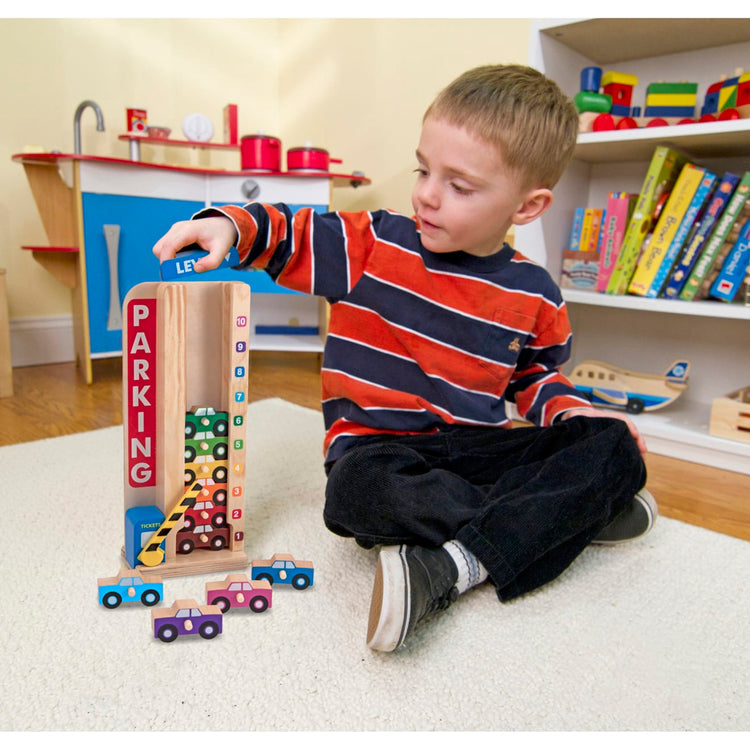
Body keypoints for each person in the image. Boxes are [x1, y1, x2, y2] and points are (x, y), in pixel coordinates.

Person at [153, 64, 655, 653]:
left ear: (527, 206)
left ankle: (454, 563)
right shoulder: (374, 244)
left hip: (474, 450)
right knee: (356, 494)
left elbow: (538, 378)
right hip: (379, 448)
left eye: (459, 186)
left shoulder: (535, 292)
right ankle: (551, 519)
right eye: (424, 169)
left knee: (615, 444)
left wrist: (574, 416)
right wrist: (226, 226)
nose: (426, 194)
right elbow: (289, 230)